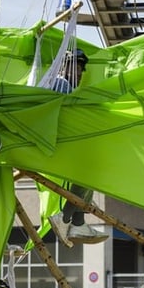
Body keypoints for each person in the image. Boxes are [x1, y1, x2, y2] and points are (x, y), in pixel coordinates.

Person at [47, 48, 109, 247]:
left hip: (58, 142)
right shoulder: (60, 83)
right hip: (57, 142)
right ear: (64, 66)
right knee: (90, 168)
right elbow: (62, 116)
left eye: (82, 69)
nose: (80, 74)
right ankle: (66, 218)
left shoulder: (64, 85)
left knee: (89, 173)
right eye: (77, 68)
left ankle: (78, 222)